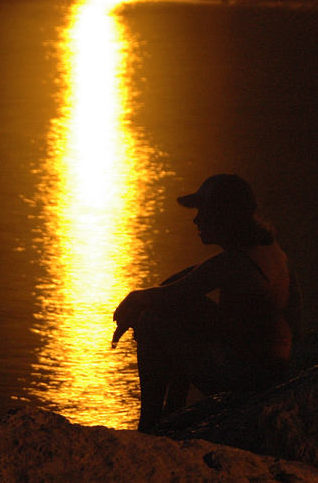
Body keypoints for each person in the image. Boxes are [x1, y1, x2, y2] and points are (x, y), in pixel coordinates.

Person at [112, 173, 301, 431]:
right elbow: (184, 283)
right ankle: (171, 414)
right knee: (175, 309)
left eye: (204, 211)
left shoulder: (236, 263)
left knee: (153, 322)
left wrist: (134, 303)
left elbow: (174, 292)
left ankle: (150, 426)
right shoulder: (266, 250)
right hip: (271, 367)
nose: (196, 219)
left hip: (252, 376)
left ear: (225, 216)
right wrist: (148, 299)